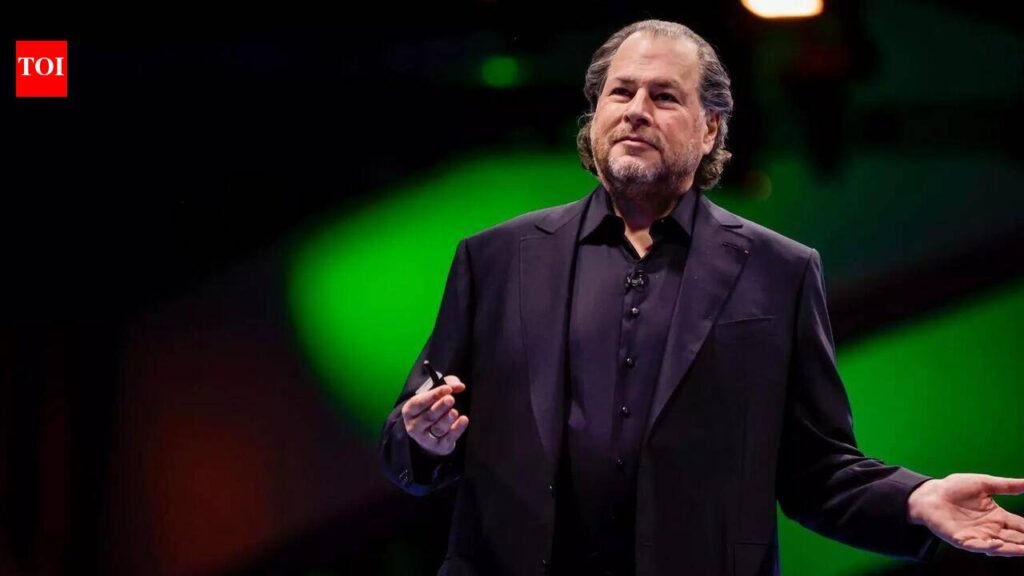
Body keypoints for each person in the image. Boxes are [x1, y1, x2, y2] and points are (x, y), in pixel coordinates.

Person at [378, 19, 1024, 576]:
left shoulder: (780, 271)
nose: (636, 110)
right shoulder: (495, 259)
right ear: (594, 115)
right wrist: (424, 437)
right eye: (620, 92)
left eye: (664, 96)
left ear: (711, 127)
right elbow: (415, 432)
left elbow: (817, 467)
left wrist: (915, 499)